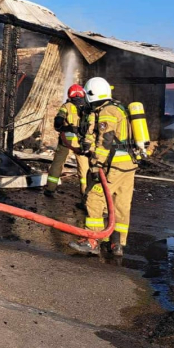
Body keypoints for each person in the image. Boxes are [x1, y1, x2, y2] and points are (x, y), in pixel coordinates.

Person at [69, 77, 138, 257]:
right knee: (120, 204)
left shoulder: (107, 111)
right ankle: (117, 244)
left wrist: (96, 162)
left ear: (92, 93)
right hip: (128, 164)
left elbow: (106, 139)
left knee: (94, 197)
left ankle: (92, 240)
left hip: (113, 165)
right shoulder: (118, 108)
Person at [44, 84, 90, 196]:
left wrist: (66, 128)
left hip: (65, 142)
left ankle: (50, 188)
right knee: (84, 167)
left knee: (57, 164)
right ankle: (85, 193)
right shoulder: (88, 108)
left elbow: (58, 123)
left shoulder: (66, 107)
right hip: (82, 143)